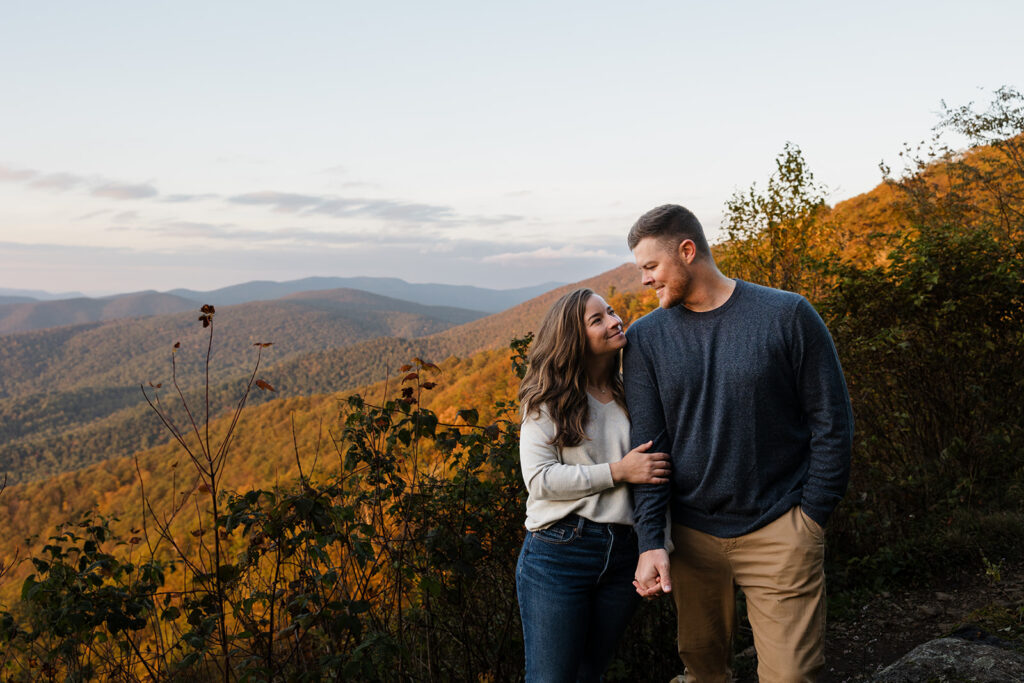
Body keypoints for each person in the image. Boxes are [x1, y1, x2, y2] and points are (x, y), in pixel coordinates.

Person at [622, 204, 854, 683]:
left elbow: (832, 421)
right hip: (691, 539)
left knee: (792, 676)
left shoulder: (786, 315)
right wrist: (651, 541)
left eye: (651, 267)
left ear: (687, 251)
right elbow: (650, 450)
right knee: (703, 668)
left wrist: (810, 517)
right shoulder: (645, 339)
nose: (644, 281)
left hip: (780, 530)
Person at [516, 287, 671, 682]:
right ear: (574, 338)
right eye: (597, 319)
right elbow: (539, 480)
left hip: (624, 555)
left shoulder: (632, 392)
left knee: (590, 675)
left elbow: (656, 473)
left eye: (613, 311)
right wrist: (617, 471)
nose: (615, 321)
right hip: (560, 553)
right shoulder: (549, 399)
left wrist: (658, 545)